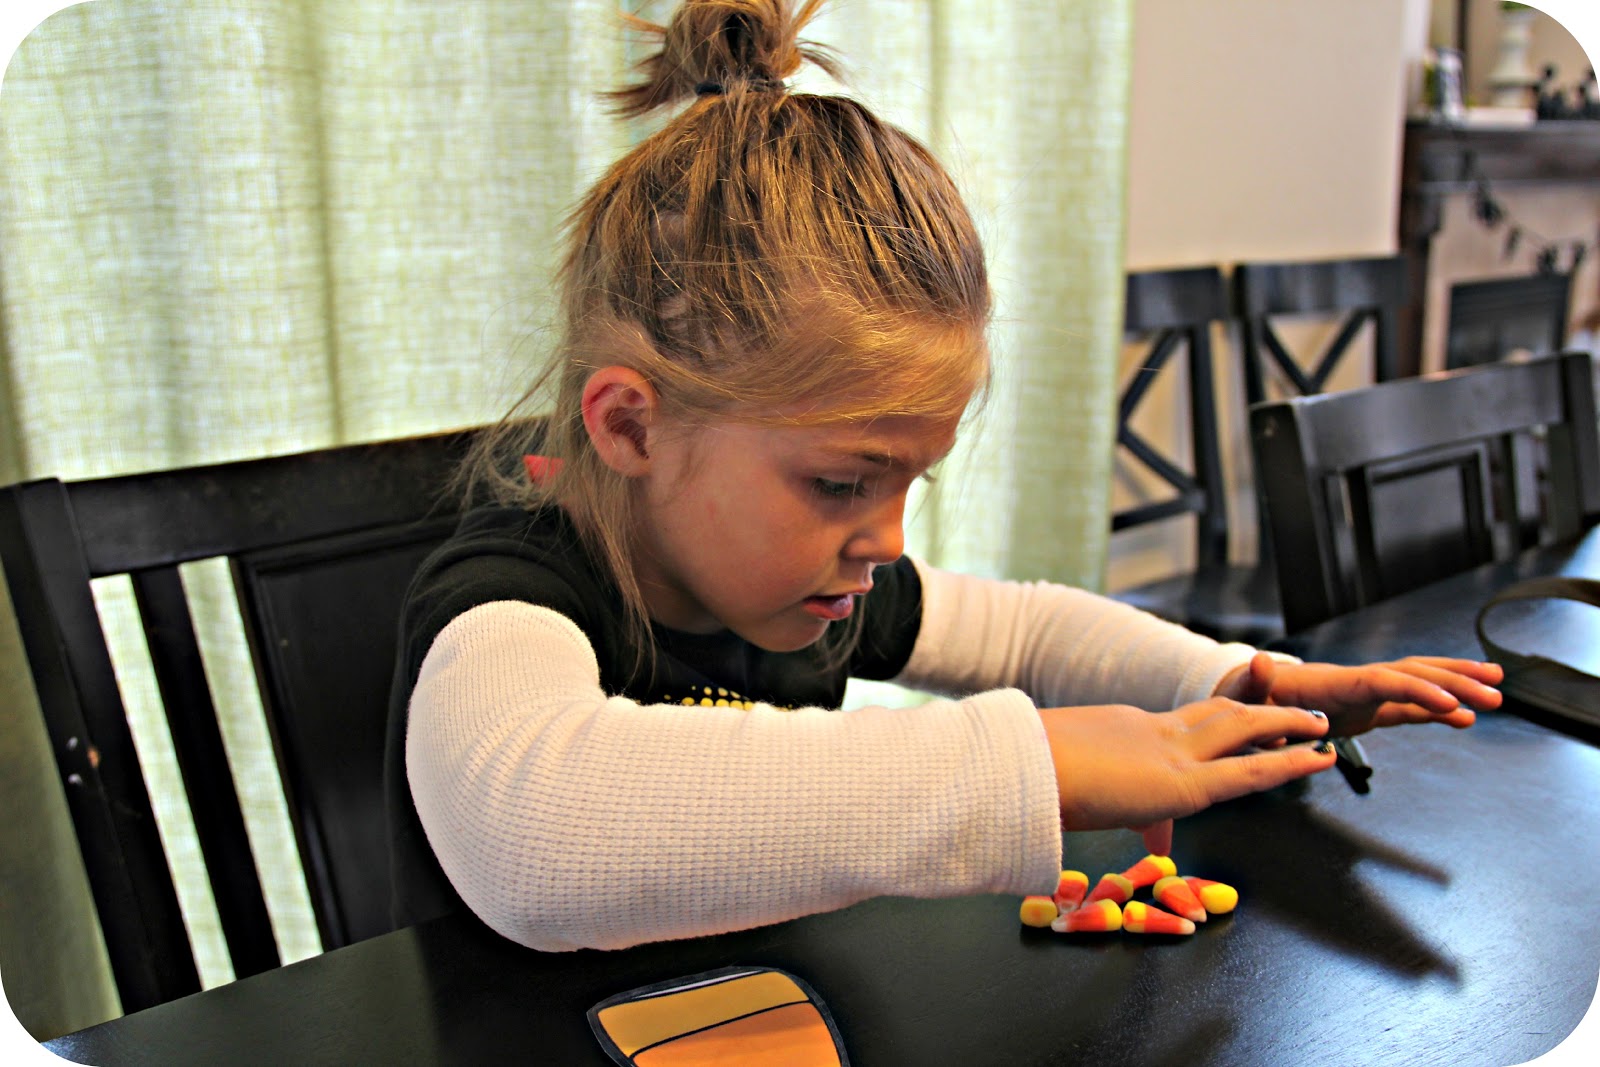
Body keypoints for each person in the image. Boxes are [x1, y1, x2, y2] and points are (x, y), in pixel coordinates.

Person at [384, 0, 1502, 954]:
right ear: (630, 425)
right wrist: (1040, 765)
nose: (884, 539)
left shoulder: (806, 585)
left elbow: (1024, 635)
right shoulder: (508, 598)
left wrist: (1225, 683)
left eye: (908, 481)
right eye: (839, 483)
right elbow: (536, 834)